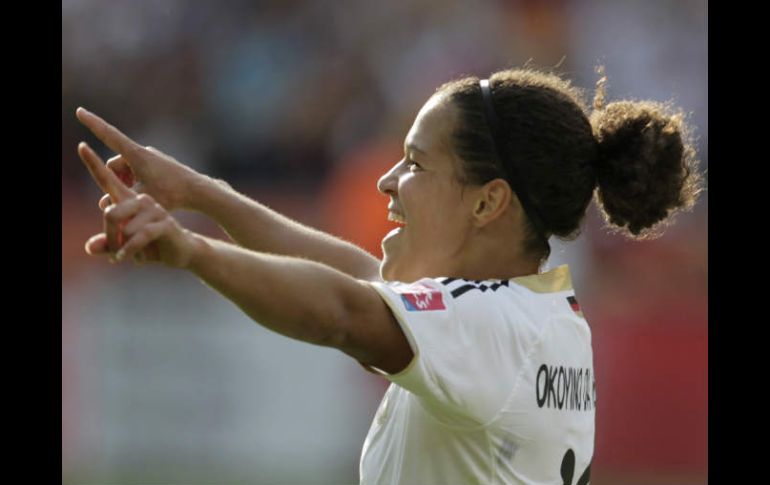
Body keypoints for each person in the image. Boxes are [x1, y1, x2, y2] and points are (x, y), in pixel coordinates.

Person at [76, 67, 703, 485]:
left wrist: (191, 252)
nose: (386, 182)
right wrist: (202, 194)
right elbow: (361, 278)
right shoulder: (533, 318)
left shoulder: (488, 325)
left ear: (488, 202)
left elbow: (345, 312)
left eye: (414, 164)